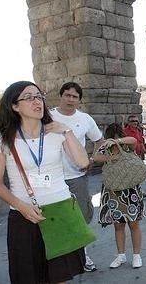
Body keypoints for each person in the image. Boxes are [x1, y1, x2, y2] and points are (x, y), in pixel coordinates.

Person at [0, 81, 90, 283]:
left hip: (60, 211)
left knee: (61, 278)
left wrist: (66, 131)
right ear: (14, 106)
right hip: (25, 215)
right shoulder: (2, 139)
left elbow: (83, 162)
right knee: (29, 277)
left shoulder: (57, 133)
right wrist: (21, 206)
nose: (37, 101)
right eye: (29, 97)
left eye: (39, 96)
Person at [50, 81, 104, 272]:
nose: (70, 99)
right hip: (53, 178)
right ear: (61, 96)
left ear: (79, 100)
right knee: (56, 218)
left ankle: (83, 255)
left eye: (75, 97)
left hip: (77, 177)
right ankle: (60, 257)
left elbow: (99, 140)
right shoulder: (48, 116)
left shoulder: (86, 119)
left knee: (82, 216)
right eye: (67, 95)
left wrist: (92, 160)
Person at [92, 123, 146, 269]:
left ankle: (136, 255)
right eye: (113, 137)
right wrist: (109, 158)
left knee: (134, 223)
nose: (114, 140)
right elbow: (95, 157)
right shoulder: (105, 147)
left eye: (117, 137)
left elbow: (134, 141)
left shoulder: (126, 144)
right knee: (118, 225)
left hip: (130, 189)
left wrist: (118, 142)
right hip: (113, 189)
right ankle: (121, 255)